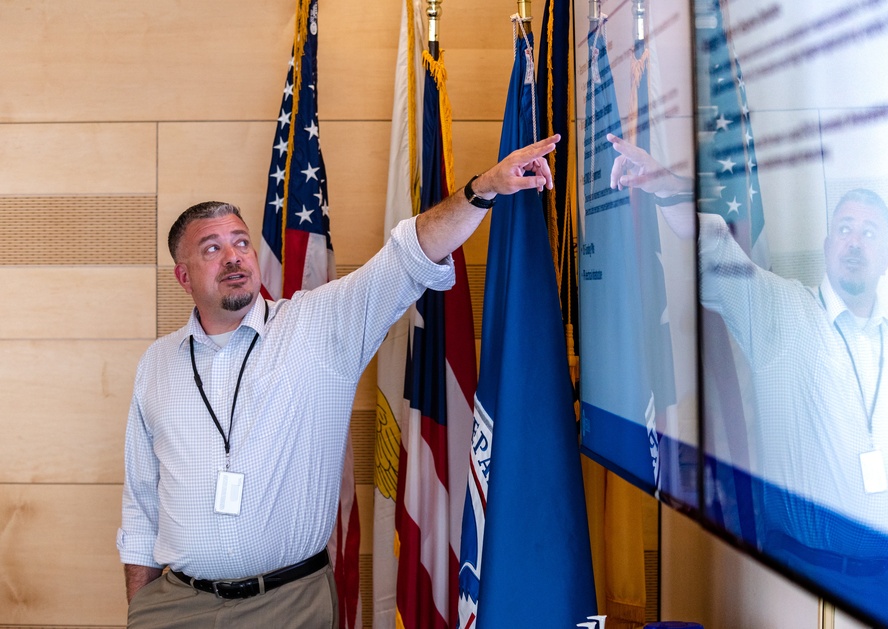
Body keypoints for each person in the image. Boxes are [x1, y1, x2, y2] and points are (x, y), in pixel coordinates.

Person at [118, 134, 560, 628]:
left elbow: (409, 255)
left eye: (241, 242)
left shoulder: (319, 326)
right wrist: (142, 611)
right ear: (183, 276)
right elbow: (141, 507)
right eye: (212, 248)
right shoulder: (157, 365)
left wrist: (484, 189)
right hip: (178, 607)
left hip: (289, 605)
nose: (235, 257)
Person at [608, 134, 888, 568]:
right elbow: (715, 250)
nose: (855, 242)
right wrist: (670, 189)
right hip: (812, 572)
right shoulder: (781, 310)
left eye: (869, 233)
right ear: (827, 246)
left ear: (886, 257)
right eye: (844, 229)